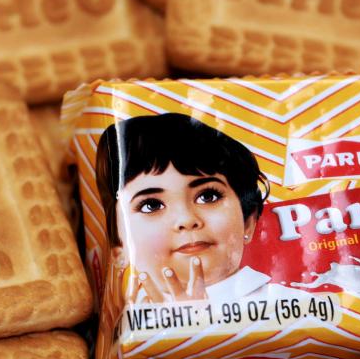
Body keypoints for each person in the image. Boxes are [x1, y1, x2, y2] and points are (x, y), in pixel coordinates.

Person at [96, 113, 272, 303]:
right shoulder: (124, 323)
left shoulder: (291, 305)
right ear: (117, 249)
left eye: (208, 196)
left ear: (248, 222)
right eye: (151, 205)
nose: (187, 219)